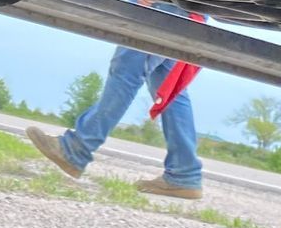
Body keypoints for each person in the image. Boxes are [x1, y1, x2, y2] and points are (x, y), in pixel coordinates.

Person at [27, 36, 203, 200]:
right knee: (168, 86)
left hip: (167, 14)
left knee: (128, 68)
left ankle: (77, 149)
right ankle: (184, 171)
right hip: (185, 15)